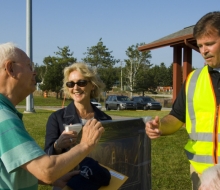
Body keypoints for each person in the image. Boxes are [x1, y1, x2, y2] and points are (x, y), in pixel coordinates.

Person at [0, 42, 104, 189]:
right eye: (29, 66)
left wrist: (49, 180)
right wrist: (86, 144)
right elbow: (46, 170)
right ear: (10, 68)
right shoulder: (3, 116)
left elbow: (9, 170)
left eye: (81, 82)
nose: (34, 72)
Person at [145, 11, 220, 190]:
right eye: (200, 45)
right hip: (201, 174)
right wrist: (160, 126)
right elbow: (176, 117)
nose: (204, 51)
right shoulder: (193, 80)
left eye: (210, 44)